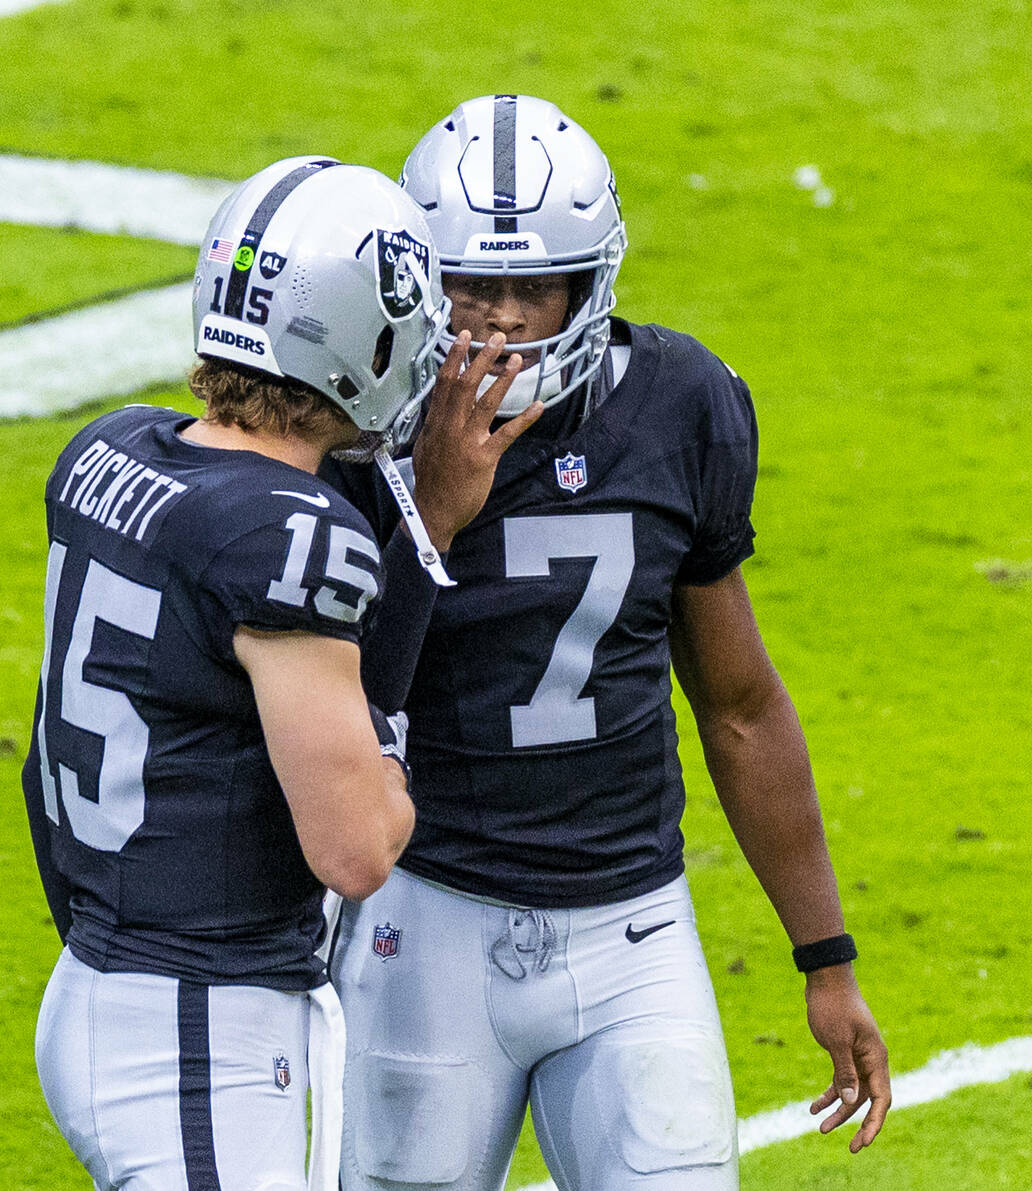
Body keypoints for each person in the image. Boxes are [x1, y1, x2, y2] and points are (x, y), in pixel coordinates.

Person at [326, 96, 892, 1191]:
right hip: (425, 916)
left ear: (589, 285)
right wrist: (431, 513)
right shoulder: (353, 433)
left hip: (632, 927)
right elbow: (330, 719)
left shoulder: (682, 404)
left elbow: (739, 705)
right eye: (467, 286)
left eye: (528, 288)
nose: (493, 323)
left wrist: (827, 960)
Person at [21, 156, 499, 1191]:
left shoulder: (108, 453)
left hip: (102, 980)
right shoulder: (287, 536)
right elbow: (358, 850)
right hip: (195, 1026)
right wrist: (392, 781)